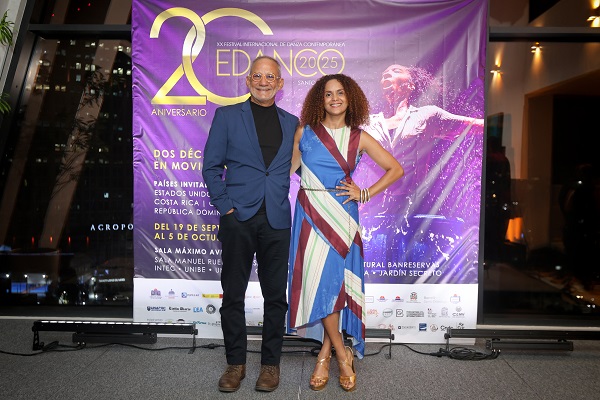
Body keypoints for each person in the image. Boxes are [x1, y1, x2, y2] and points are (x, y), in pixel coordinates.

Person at [287, 74, 403, 392]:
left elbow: (396, 169)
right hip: (310, 215)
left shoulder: (359, 137)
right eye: (328, 94)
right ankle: (341, 353)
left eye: (340, 93)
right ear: (320, 99)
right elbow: (286, 171)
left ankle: (328, 354)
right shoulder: (304, 132)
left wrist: (364, 193)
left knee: (336, 286)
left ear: (350, 98)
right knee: (320, 285)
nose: (334, 98)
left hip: (343, 217)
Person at [202, 55, 299, 393]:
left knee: (276, 297)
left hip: (277, 219)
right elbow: (211, 167)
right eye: (257, 76)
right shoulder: (227, 116)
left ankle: (270, 365)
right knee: (233, 294)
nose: (263, 82)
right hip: (238, 219)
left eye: (270, 77)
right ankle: (236, 364)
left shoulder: (292, 123)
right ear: (248, 80)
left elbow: (305, 164)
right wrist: (225, 207)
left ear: (280, 83)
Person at [358, 64, 484, 276]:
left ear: (410, 85)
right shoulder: (368, 123)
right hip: (374, 210)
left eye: (395, 71)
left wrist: (500, 121)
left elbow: (473, 125)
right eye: (384, 73)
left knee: (408, 271)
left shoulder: (427, 115)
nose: (387, 74)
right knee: (374, 272)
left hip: (413, 210)